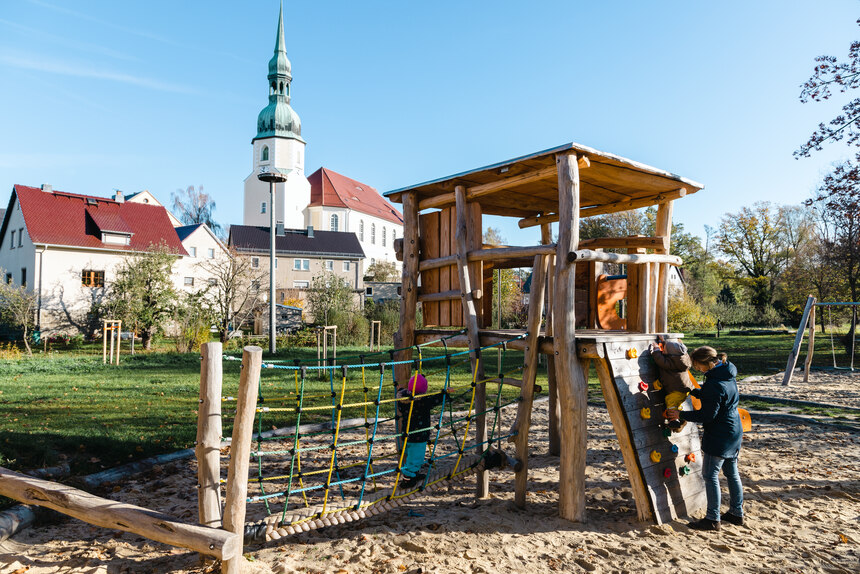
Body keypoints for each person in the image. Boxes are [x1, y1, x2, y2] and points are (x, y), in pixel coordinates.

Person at [667, 346, 744, 531]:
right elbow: (715, 397)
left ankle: (712, 518)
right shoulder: (726, 374)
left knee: (710, 476)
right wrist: (695, 391)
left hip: (720, 434)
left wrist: (681, 414)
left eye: (697, 366)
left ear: (707, 363)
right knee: (732, 473)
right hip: (734, 430)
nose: (696, 369)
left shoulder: (714, 384)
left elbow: (706, 415)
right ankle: (736, 513)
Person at [396, 373, 447, 489]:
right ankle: (408, 479)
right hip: (418, 436)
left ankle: (413, 474)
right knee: (416, 457)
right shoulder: (422, 402)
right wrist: (445, 394)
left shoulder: (403, 399)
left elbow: (402, 390)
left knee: (410, 455)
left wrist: (401, 389)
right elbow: (436, 400)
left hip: (407, 434)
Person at [648, 337, 694, 431]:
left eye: (664, 349)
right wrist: (664, 341)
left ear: (671, 354)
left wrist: (656, 350)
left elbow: (661, 361)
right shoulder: (680, 359)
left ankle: (674, 420)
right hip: (685, 389)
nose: (663, 350)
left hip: (676, 390)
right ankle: (680, 417)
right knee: (675, 403)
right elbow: (672, 348)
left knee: (670, 402)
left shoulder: (670, 363)